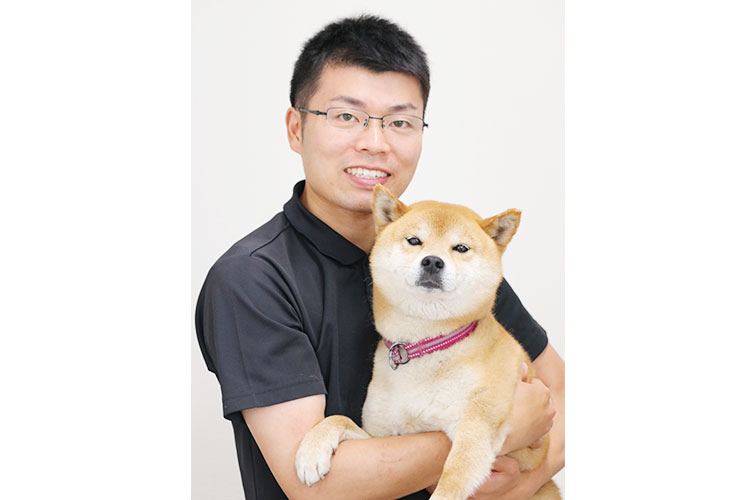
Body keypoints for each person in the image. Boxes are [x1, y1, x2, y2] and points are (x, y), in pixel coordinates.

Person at [196, 14, 565, 500]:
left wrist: (526, 482)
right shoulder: (253, 279)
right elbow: (316, 487)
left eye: (400, 122)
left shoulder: (457, 262)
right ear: (296, 128)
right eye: (346, 116)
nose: (374, 142)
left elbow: (563, 395)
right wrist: (498, 428)